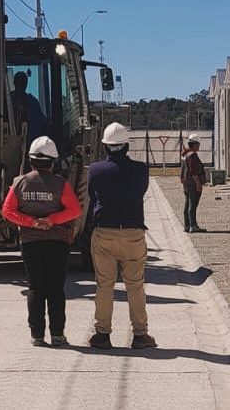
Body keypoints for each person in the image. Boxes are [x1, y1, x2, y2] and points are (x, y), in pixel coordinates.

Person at [1, 136, 82, 347]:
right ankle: (57, 334)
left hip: (30, 242)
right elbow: (75, 210)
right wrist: (51, 220)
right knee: (55, 288)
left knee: (35, 287)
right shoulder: (61, 184)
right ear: (53, 161)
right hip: (57, 242)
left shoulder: (20, 183)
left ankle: (37, 335)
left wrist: (31, 222)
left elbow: (7, 211)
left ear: (31, 160)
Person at [86, 122, 157, 350]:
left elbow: (92, 197)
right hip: (133, 232)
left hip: (104, 232)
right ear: (126, 146)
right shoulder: (141, 169)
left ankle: (102, 334)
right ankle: (140, 334)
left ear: (105, 147)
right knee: (135, 285)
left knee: (104, 285)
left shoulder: (95, 170)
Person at [180, 133, 207, 233]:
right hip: (192, 184)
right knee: (193, 204)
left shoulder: (185, 155)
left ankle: (187, 225)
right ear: (194, 144)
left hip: (187, 183)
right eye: (198, 144)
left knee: (187, 204)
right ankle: (193, 225)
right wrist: (198, 184)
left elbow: (183, 171)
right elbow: (193, 171)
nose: (199, 146)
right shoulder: (193, 156)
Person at [11, 71, 48, 143]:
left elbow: (42, 125)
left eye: (22, 83)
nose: (20, 86)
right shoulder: (6, 101)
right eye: (18, 83)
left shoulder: (33, 103)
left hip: (30, 146)